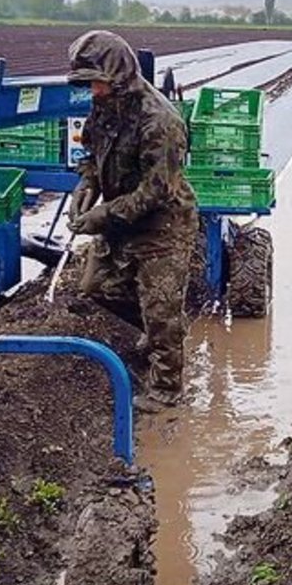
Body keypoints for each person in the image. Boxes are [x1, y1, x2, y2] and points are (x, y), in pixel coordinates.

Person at [65, 30, 197, 412]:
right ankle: (163, 333)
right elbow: (91, 153)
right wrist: (86, 186)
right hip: (121, 220)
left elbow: (157, 192)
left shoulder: (160, 122)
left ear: (118, 76)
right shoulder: (105, 107)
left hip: (163, 225)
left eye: (98, 82)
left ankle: (167, 390)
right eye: (89, 83)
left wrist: (102, 215)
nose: (93, 91)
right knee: (95, 286)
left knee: (160, 308)